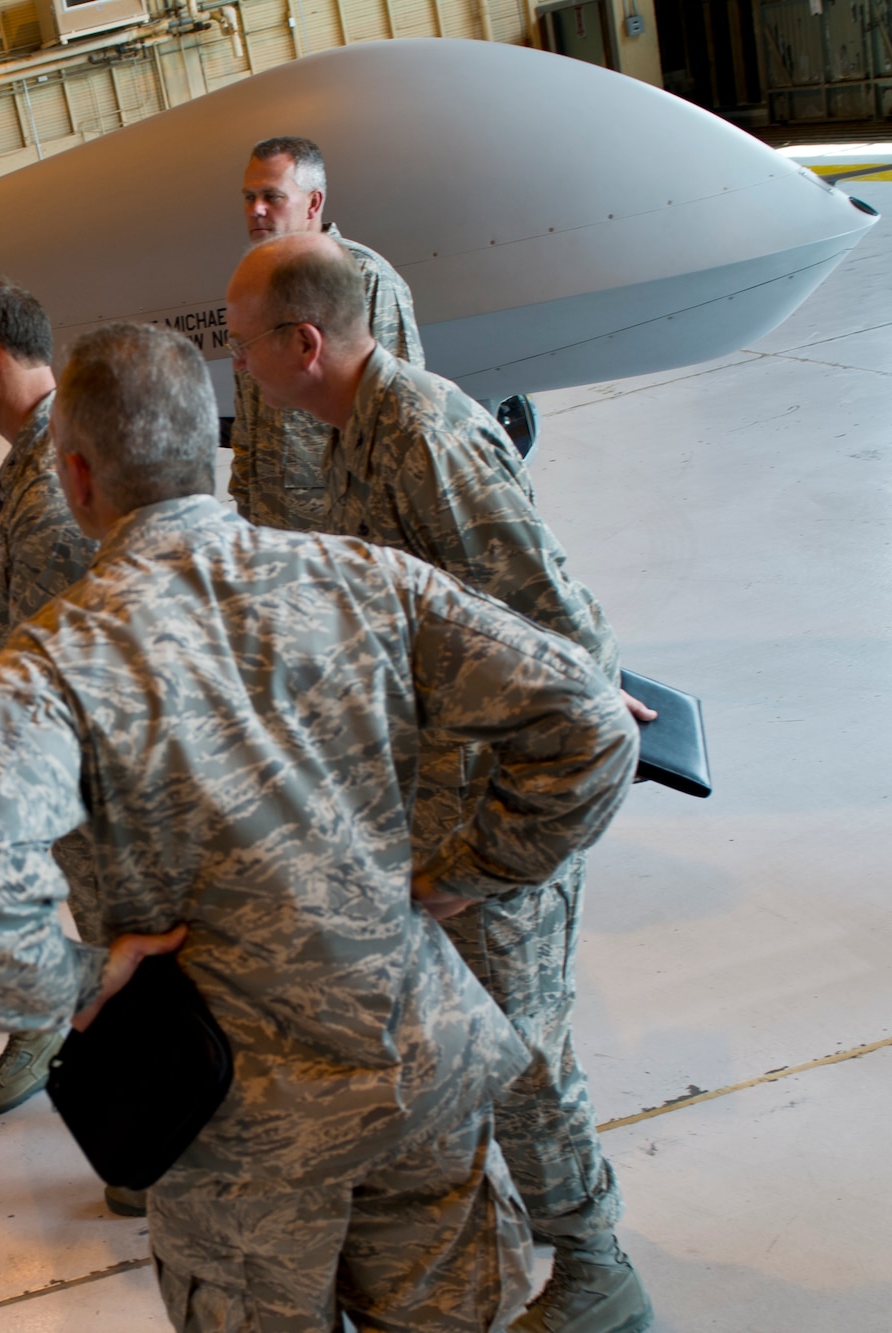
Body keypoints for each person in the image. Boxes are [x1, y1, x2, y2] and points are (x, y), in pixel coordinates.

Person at [0, 321, 641, 1332]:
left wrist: (77, 982)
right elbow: (590, 722)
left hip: (237, 1141)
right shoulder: (362, 578)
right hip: (415, 1073)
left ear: (77, 479)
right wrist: (473, 870)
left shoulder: (49, 667)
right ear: (203, 450)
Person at [227, 233, 657, 1333]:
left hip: (497, 827)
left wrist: (480, 860)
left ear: (301, 342)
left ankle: (596, 1268)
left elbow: (560, 635)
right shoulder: (357, 433)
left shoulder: (420, 438)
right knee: (486, 1055)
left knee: (523, 1057)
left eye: (239, 341)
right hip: (446, 808)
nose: (233, 365)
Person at [0, 280, 109, 1132]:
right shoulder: (35, 459)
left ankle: (158, 1147)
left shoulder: (50, 485)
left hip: (86, 775)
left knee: (119, 952)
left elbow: (46, 663)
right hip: (62, 764)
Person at [230, 135, 423, 533]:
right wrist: (247, 512)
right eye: (249, 198)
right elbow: (247, 418)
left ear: (313, 203)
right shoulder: (255, 283)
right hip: (274, 533)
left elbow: (402, 412)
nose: (257, 210)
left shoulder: (364, 278)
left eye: (272, 196)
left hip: (348, 531)